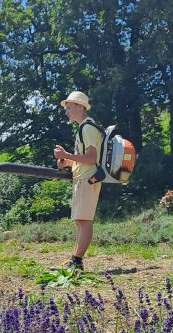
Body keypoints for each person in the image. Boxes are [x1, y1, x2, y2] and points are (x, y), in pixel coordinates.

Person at [53, 90, 102, 271]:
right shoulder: (85, 127)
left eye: (70, 107)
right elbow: (85, 157)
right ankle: (74, 258)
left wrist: (66, 154)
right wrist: (67, 162)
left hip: (88, 178)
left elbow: (90, 158)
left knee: (84, 220)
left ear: (81, 107)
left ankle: (77, 260)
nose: (67, 111)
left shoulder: (87, 128)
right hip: (83, 177)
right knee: (80, 220)